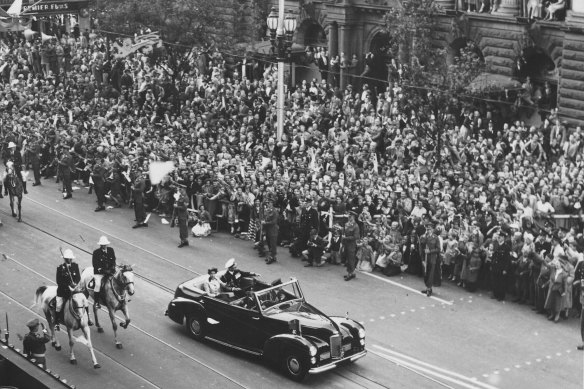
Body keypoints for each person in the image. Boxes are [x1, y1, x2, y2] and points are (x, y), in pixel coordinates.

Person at [55, 248, 81, 324]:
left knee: (83, 301)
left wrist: (75, 284)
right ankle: (57, 322)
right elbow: (58, 281)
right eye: (67, 258)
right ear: (65, 259)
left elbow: (78, 277)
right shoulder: (60, 268)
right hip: (63, 291)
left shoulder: (75, 266)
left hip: (74, 289)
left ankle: (87, 317)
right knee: (59, 305)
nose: (69, 260)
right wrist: (68, 286)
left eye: (70, 258)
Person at [92, 236, 116, 308]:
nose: (104, 246)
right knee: (98, 285)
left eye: (105, 244)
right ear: (100, 245)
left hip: (110, 272)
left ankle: (124, 297)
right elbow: (95, 265)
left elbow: (113, 261)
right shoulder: (96, 252)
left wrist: (112, 269)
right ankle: (96, 302)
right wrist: (104, 271)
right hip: (100, 274)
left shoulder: (111, 250)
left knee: (120, 279)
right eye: (102, 245)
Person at [420, 221, 441, 297]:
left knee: (430, 274)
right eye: (427, 229)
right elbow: (421, 244)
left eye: (430, 229)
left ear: (433, 229)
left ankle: (429, 289)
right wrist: (424, 236)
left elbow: (438, 249)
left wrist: (430, 251)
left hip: (432, 258)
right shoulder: (424, 236)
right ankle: (427, 287)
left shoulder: (435, 237)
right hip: (425, 258)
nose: (428, 230)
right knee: (425, 273)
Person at [491, 231, 511, 301]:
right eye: (498, 237)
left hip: (502, 267)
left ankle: (501, 296)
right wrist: (492, 264)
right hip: (495, 266)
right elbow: (494, 256)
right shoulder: (496, 245)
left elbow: (507, 259)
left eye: (500, 237)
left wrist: (505, 269)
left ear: (503, 238)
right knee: (495, 281)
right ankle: (495, 294)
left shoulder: (506, 247)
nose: (499, 238)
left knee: (501, 282)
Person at [343, 212, 360, 281]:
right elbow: (345, 232)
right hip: (346, 244)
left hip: (351, 244)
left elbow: (355, 237)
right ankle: (349, 272)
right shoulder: (347, 224)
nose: (349, 217)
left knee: (351, 259)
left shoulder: (356, 226)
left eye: (351, 216)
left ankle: (351, 273)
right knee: (347, 258)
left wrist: (345, 238)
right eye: (349, 216)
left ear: (354, 217)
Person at [262, 198, 279, 264]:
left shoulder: (275, 211)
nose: (268, 204)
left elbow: (274, 222)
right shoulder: (267, 210)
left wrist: (265, 223)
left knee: (273, 244)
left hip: (273, 230)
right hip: (268, 230)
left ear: (272, 203)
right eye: (268, 203)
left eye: (270, 203)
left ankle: (272, 257)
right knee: (269, 244)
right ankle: (272, 256)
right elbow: (266, 218)